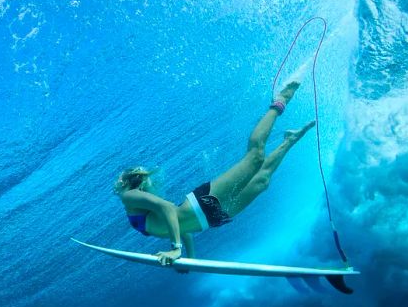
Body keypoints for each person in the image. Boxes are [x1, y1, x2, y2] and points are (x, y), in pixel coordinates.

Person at [115, 80, 315, 266]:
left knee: (255, 157)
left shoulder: (128, 196)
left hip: (204, 203)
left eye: (119, 177)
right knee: (262, 181)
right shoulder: (135, 201)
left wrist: (176, 250)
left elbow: (168, 208)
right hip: (212, 218)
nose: (116, 179)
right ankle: (290, 140)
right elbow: (175, 224)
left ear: (126, 181)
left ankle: (281, 100)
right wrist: (189, 259)